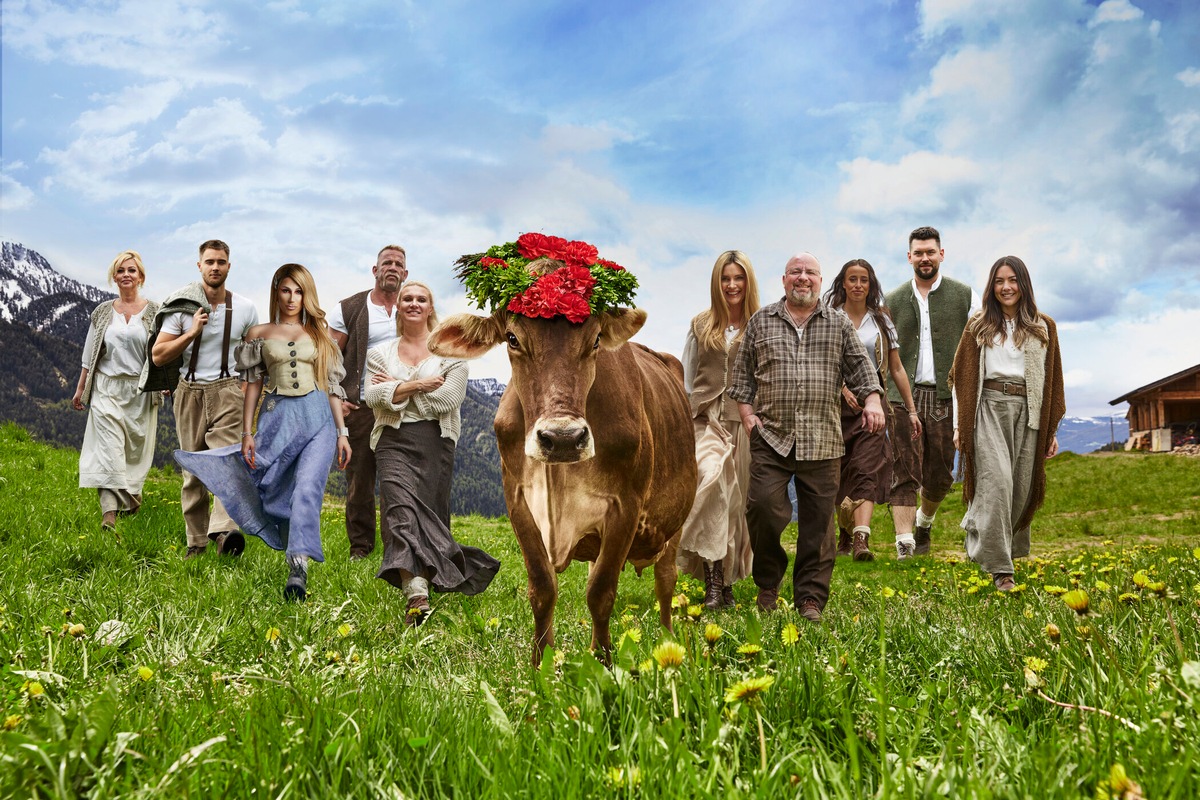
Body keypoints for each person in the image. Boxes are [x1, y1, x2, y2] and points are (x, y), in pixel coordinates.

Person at [174, 264, 352, 600]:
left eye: (299, 291)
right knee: (270, 484)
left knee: (308, 490)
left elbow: (332, 387)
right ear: (276, 292)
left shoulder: (321, 336)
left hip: (319, 420)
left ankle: (298, 568)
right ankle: (251, 532)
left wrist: (342, 432)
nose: (292, 298)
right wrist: (246, 432)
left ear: (307, 294)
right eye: (286, 290)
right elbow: (253, 385)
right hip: (278, 416)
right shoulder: (258, 333)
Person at [729, 253, 885, 622]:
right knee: (764, 509)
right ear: (784, 280)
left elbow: (861, 368)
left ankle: (810, 599)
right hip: (771, 436)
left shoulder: (838, 323)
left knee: (818, 525)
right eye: (796, 272)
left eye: (810, 273)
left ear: (820, 280)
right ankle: (769, 582)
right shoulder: (761, 321)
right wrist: (748, 416)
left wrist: (874, 401)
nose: (803, 278)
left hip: (823, 438)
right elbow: (741, 377)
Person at [364, 280, 499, 626]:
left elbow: (448, 401)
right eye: (407, 298)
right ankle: (417, 594)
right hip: (392, 438)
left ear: (430, 307)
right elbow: (371, 397)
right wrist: (419, 385)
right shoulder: (379, 354)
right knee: (399, 510)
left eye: (420, 299)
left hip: (436, 442)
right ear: (398, 307)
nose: (413, 303)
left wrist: (395, 390)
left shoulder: (451, 354)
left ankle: (441, 569)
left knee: (429, 516)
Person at [950, 256, 1064, 591]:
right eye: (999, 281)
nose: (1006, 287)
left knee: (1020, 487)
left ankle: (990, 541)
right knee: (996, 483)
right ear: (992, 286)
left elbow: (1053, 379)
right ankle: (1002, 570)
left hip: (1029, 410)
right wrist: (960, 425)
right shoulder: (978, 325)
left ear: (1023, 284)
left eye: (1012, 280)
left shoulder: (1044, 326)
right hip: (987, 408)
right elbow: (961, 377)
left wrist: (1051, 430)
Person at [149, 240, 259, 559]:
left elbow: (253, 353)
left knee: (228, 463)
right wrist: (190, 333)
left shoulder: (246, 309)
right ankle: (196, 543)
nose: (215, 267)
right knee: (193, 469)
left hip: (228, 390)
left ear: (229, 266)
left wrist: (248, 388)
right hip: (189, 391)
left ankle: (225, 533)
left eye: (221, 262)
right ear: (199, 266)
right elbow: (158, 355)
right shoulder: (182, 306)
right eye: (209, 261)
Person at [885, 226, 980, 559]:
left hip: (945, 395)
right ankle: (905, 544)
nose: (924, 258)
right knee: (903, 470)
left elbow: (978, 343)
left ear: (941, 254)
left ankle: (924, 524)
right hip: (900, 396)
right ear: (909, 257)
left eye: (930, 252)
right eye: (918, 252)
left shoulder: (963, 295)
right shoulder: (893, 300)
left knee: (940, 475)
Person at [825, 258, 922, 561]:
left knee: (866, 468)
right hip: (834, 406)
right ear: (843, 283)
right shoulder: (829, 318)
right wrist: (842, 388)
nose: (857, 285)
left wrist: (911, 409)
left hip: (874, 406)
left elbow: (896, 367)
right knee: (838, 471)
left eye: (863, 280)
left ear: (870, 285)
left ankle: (860, 540)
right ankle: (843, 530)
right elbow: (822, 362)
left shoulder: (881, 320)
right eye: (852, 279)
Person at [679, 250, 760, 609]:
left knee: (738, 504)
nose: (731, 285)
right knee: (712, 482)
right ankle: (712, 582)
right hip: (706, 419)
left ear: (748, 282)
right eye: (725, 278)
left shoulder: (762, 323)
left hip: (745, 421)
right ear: (716, 283)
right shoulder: (700, 323)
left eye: (738, 278)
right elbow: (685, 377)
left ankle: (725, 583)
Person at [328, 245, 408, 560]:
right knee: (360, 481)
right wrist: (336, 398)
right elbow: (328, 360)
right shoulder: (349, 308)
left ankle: (397, 546)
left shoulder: (413, 306)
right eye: (386, 263)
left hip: (401, 407)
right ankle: (360, 547)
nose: (392, 267)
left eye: (398, 264)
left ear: (405, 273)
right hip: (361, 407)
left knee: (397, 480)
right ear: (375, 271)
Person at [72, 250, 161, 530]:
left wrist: (165, 382)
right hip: (106, 387)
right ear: (114, 276)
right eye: (120, 270)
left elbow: (163, 352)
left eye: (131, 270)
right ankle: (108, 515)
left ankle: (132, 499)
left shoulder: (155, 313)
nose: (126, 275)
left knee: (134, 455)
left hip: (141, 390)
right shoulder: (102, 312)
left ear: (141, 276)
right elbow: (90, 353)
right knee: (108, 451)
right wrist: (81, 387)